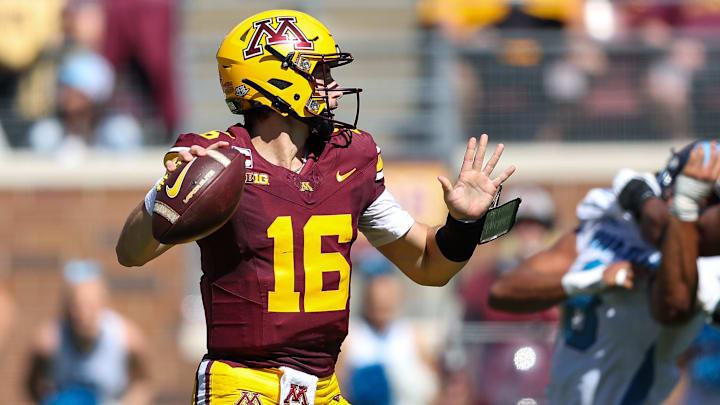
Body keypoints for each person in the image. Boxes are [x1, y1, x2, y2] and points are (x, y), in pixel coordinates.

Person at [115, 9, 516, 405]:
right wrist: (164, 198)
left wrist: (462, 222)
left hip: (322, 387)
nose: (334, 86)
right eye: (319, 73)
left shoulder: (350, 157)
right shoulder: (220, 159)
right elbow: (130, 254)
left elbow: (429, 265)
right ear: (276, 77)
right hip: (241, 385)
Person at [488, 141, 720, 404]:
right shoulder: (613, 223)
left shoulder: (703, 265)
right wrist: (592, 280)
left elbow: (672, 308)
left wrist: (681, 208)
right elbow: (502, 291)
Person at [26, 260, 151, 405]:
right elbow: (31, 384)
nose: (83, 313)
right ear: (65, 306)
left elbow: (144, 383)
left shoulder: (127, 338)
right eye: (76, 305)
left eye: (90, 305)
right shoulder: (47, 341)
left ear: (103, 303)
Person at [338, 274, 438, 405]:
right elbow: (339, 383)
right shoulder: (351, 337)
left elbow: (434, 384)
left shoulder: (412, 335)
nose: (382, 305)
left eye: (386, 303)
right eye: (377, 302)